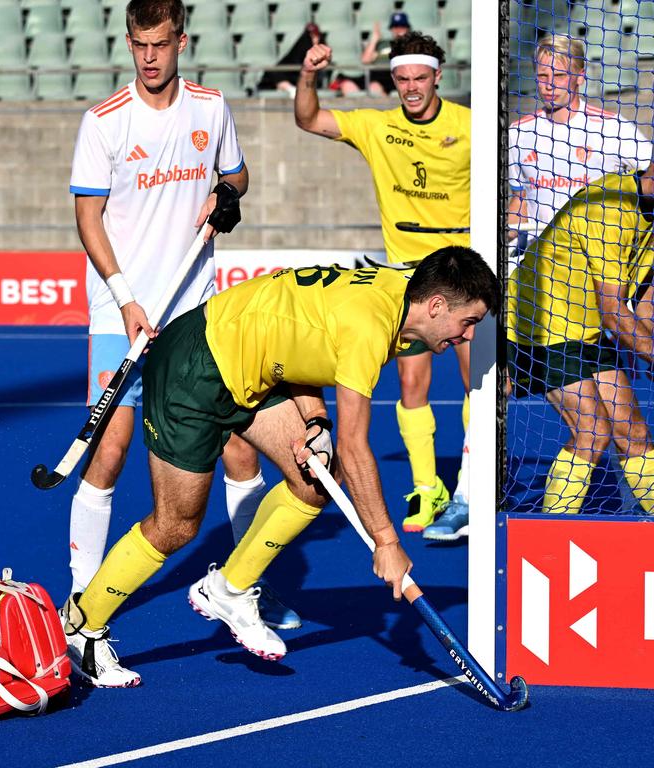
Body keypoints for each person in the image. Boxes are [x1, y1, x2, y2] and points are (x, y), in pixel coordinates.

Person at [61, 247, 499, 683]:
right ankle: (83, 626)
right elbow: (354, 446)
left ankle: (228, 589)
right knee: (176, 525)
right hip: (194, 367)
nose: (467, 337)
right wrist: (385, 541)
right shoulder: (372, 326)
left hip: (252, 366)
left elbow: (309, 341)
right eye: (468, 323)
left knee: (314, 484)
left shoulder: (402, 294)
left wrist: (315, 422)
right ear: (437, 305)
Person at [65, 0, 299, 686]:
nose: (148, 56)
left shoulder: (210, 107)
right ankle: (82, 609)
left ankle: (243, 581)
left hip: (197, 312)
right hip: (121, 308)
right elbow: (88, 216)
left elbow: (237, 175)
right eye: (138, 44)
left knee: (235, 440)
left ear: (180, 42)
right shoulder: (104, 121)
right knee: (107, 448)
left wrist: (228, 197)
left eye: (159, 44)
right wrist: (126, 296)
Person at [293, 31, 473, 540]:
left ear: (438, 76)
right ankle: (427, 486)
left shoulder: (471, 126)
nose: (411, 87)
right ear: (392, 80)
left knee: (476, 384)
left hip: (463, 275)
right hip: (410, 283)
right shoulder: (377, 127)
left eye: (420, 77)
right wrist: (310, 74)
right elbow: (308, 118)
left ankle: (470, 489)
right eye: (401, 79)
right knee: (411, 386)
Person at [507, 166, 654, 515]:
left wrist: (645, 347)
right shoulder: (611, 207)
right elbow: (614, 313)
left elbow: (645, 298)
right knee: (592, 431)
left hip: (586, 326)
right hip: (541, 321)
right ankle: (549, 536)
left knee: (633, 432)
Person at [508, 34, 654, 257]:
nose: (549, 84)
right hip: (539, 261)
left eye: (559, 75)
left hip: (598, 260)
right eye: (542, 75)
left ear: (580, 76)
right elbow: (522, 200)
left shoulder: (611, 127)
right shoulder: (519, 133)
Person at [333, 11, 411, 96]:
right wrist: (374, 39)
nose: (398, 30)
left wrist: (404, 41)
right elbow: (365, 60)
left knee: (374, 87)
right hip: (374, 76)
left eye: (402, 27)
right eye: (395, 27)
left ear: (407, 28)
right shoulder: (382, 44)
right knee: (347, 85)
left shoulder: (410, 45)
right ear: (391, 29)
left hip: (391, 78)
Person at [257, 22, 326, 97]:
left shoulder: (321, 49)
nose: (315, 39)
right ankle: (290, 89)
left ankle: (290, 89)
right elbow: (292, 60)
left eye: (316, 36)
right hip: (292, 73)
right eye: (312, 37)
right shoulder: (301, 45)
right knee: (272, 73)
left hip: (304, 76)